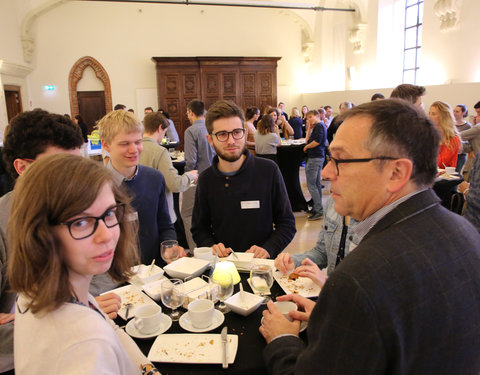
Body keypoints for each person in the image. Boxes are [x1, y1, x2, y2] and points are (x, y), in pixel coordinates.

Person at [261, 99, 480, 374]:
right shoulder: (465, 232)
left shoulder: (358, 279)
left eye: (340, 160)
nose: (327, 173)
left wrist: (283, 339)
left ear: (396, 172)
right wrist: (334, 319)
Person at [8, 153, 158, 374]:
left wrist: (148, 369)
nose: (106, 235)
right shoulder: (84, 343)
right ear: (41, 234)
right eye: (80, 222)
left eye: (108, 213)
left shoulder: (43, 290)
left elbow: (111, 328)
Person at [192, 100, 296, 259]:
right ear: (210, 139)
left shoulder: (268, 171)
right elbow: (199, 229)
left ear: (245, 133)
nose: (231, 140)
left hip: (262, 268)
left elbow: (287, 224)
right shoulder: (206, 179)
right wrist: (210, 246)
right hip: (223, 268)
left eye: (236, 132)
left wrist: (268, 249)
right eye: (222, 134)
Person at [97, 110, 178, 267]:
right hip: (116, 276)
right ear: (106, 145)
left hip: (155, 271)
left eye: (138, 142)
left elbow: (165, 225)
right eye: (124, 144)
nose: (134, 150)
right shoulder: (96, 186)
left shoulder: (155, 178)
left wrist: (170, 245)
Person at [275, 197, 359, 287]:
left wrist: (327, 283)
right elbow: (322, 252)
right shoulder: (332, 202)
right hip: (330, 293)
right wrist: (294, 261)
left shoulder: (372, 219)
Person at [140, 111, 198, 224]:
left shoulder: (135, 148)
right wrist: (190, 176)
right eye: (165, 132)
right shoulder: (159, 151)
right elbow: (174, 185)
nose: (163, 137)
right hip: (159, 213)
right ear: (160, 128)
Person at [181, 99, 216, 251]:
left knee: (187, 213)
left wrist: (186, 176)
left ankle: (197, 250)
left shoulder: (191, 131)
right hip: (215, 175)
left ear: (190, 112)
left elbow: (191, 160)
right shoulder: (211, 127)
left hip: (197, 177)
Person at [303, 109, 327, 220]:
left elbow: (316, 142)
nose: (309, 120)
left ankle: (318, 210)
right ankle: (317, 207)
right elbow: (307, 140)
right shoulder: (316, 127)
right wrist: (308, 128)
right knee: (316, 184)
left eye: (311, 117)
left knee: (311, 185)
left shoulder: (319, 126)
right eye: (308, 118)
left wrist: (307, 147)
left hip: (315, 157)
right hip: (317, 157)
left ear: (317, 116)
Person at [428, 101, 461, 168]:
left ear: (443, 117)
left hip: (444, 176)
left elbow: (440, 163)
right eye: (429, 113)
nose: (429, 116)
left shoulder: (452, 138)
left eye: (433, 114)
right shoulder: (429, 134)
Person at [453, 104, 471, 172]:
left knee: (456, 174)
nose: (454, 113)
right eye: (454, 111)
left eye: (457, 112)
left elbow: (470, 143)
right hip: (451, 153)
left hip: (460, 155)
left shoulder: (468, 126)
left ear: (463, 113)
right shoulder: (451, 124)